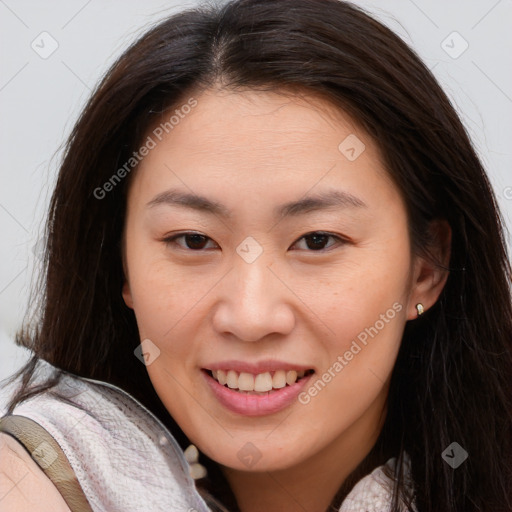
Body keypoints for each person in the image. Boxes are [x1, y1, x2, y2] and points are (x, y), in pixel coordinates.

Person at [1, 0, 511, 511]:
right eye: (193, 240)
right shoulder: (37, 477)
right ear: (122, 265)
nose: (249, 316)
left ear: (424, 270)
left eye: (317, 240)